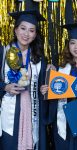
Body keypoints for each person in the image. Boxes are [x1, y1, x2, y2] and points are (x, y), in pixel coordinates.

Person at [0, 10, 48, 150]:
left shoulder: (38, 58)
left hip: (32, 111)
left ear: (35, 34)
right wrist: (5, 87)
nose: (26, 34)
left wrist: (44, 88)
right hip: (9, 112)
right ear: (15, 30)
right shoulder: (4, 52)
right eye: (23, 28)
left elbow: (42, 87)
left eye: (31, 30)